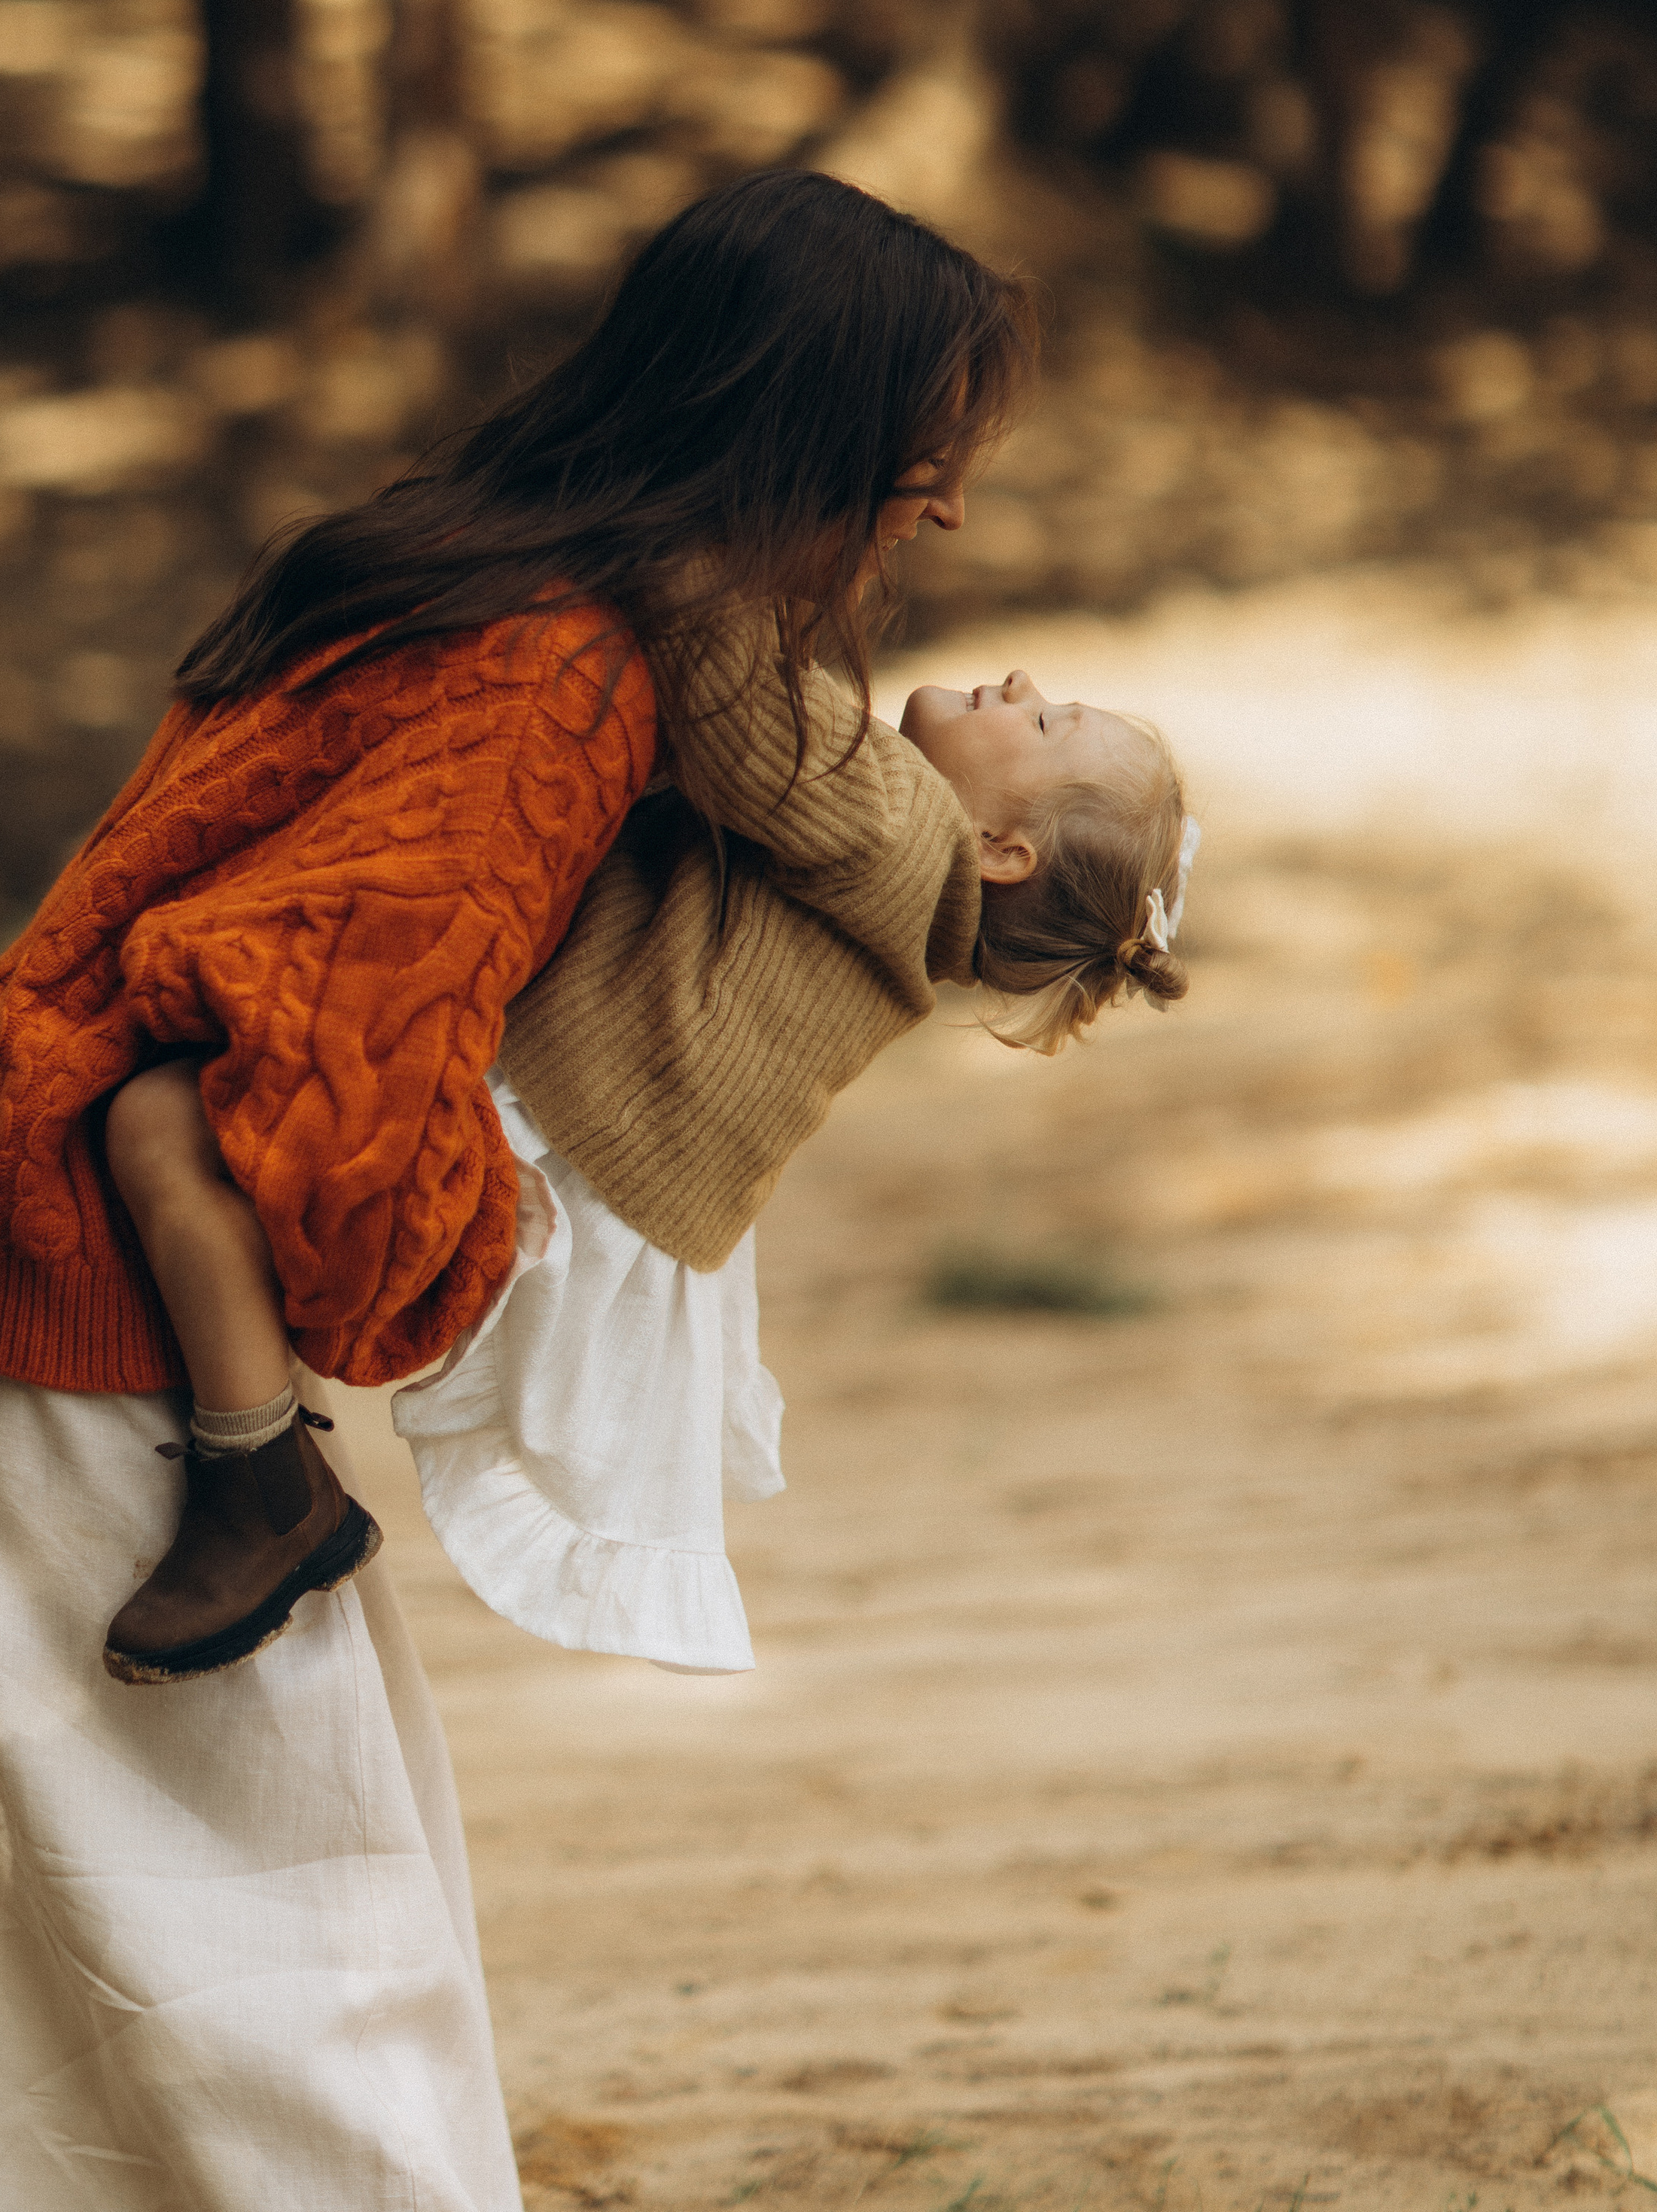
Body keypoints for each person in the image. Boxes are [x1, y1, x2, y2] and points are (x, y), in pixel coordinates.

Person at [0, 169, 1031, 2212]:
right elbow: (329, 1059)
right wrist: (457, 1256)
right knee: (303, 1944)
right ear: (802, 427)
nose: (943, 502)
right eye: (925, 445)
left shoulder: (448, 563)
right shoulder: (561, 677)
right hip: (72, 1301)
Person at [96, 660, 1196, 1683]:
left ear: (1003, 849)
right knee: (194, 1135)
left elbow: (731, 677)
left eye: (1045, 722)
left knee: (166, 1128)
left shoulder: (900, 827)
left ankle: (259, 1485)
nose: (1018, 683)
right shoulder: (905, 880)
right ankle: (256, 1459)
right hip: (557, 1152)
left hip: (534, 1155)